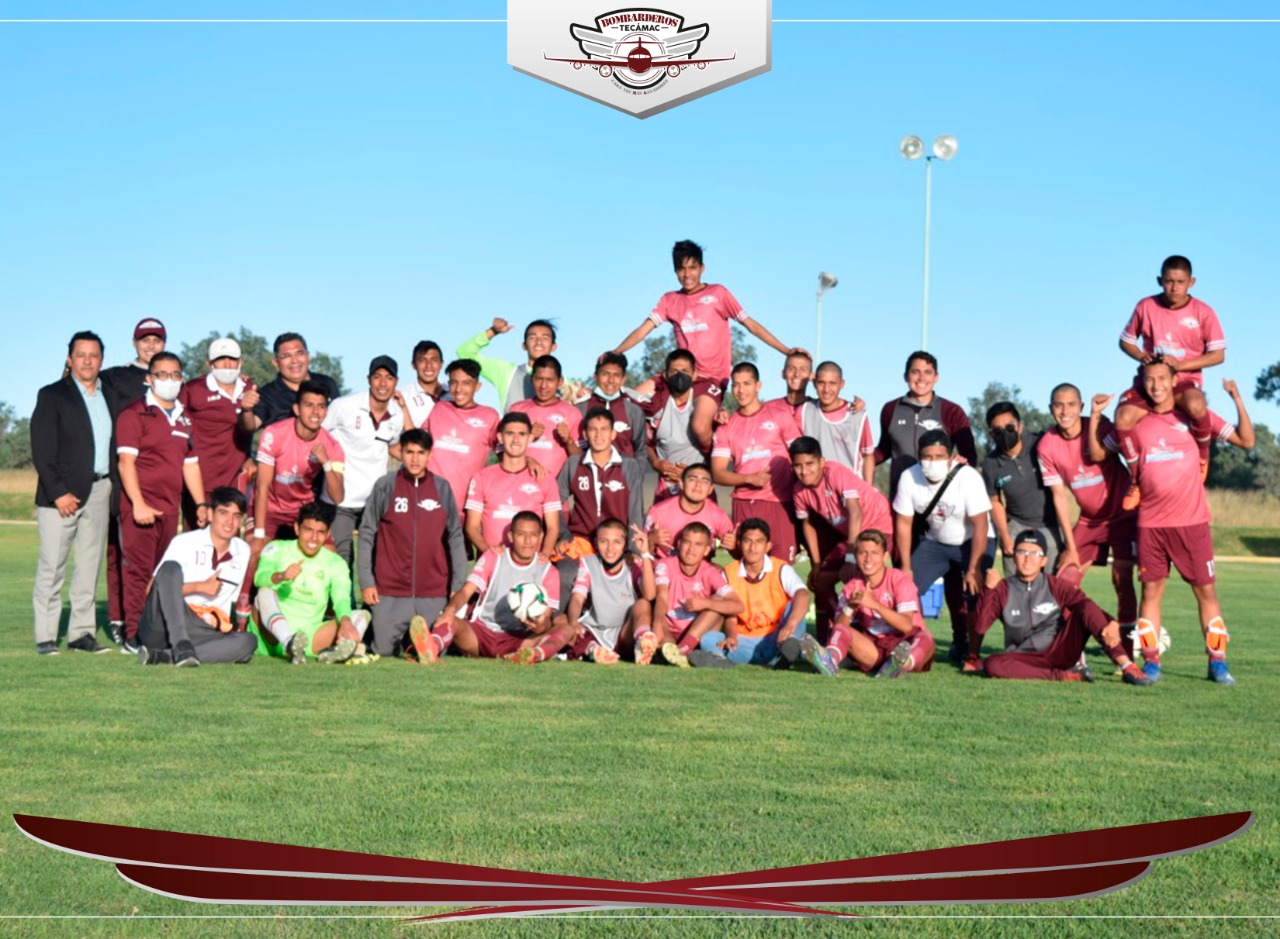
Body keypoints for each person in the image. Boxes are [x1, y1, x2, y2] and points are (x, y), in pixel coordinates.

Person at [1095, 360, 1254, 684]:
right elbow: (1100, 454)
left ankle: (1217, 663)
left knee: (1206, 594)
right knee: (1150, 592)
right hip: (1150, 525)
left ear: (1174, 381)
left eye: (1162, 379)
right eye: (1150, 380)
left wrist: (1237, 399)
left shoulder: (1195, 418)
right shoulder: (1136, 422)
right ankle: (1152, 663)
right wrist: (1096, 417)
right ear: (1142, 383)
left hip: (1192, 523)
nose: (1156, 386)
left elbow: (1246, 441)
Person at [608, 239, 803, 389]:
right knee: (633, 401)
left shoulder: (718, 293)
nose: (687, 274)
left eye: (692, 268)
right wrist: (617, 351)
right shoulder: (669, 300)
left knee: (700, 427)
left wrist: (786, 350)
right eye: (681, 269)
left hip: (712, 381)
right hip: (681, 374)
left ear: (702, 268)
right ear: (675, 271)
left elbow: (751, 325)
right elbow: (643, 330)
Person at [966, 529, 1152, 685]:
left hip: (1060, 650)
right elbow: (979, 626)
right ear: (1013, 557)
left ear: (1044, 561)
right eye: (1022, 552)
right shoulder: (1003, 589)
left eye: (1035, 554)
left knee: (1084, 606)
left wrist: (1112, 622)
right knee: (992, 664)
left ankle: (1128, 667)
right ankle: (1065, 676)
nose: (1028, 559)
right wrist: (989, 590)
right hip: (1023, 657)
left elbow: (1087, 608)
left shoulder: (1055, 585)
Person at [1114, 256, 1226, 508]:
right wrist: (1142, 356)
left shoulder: (1204, 312)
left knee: (1197, 407)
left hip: (1184, 380)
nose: (1174, 288)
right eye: (1169, 281)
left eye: (1180, 282)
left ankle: (1203, 458)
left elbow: (1219, 355)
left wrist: (1180, 365)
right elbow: (1125, 341)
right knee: (1122, 419)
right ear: (1159, 281)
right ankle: (1136, 479)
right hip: (1151, 381)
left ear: (1191, 282)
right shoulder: (1146, 306)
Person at [31, 331, 118, 655]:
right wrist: (58, 492)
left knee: (88, 566)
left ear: (101, 360)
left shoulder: (109, 393)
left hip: (100, 489)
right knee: (52, 567)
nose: (87, 360)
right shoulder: (52, 395)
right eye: (80, 354)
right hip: (61, 497)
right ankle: (46, 637)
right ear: (70, 358)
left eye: (93, 355)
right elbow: (42, 449)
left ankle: (81, 634)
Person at [115, 352, 206, 654]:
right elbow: (126, 463)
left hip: (169, 510)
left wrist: (201, 503)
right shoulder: (134, 414)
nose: (169, 380)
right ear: (149, 378)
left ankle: (154, 631)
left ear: (182, 378)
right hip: (140, 508)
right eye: (162, 374)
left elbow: (189, 465)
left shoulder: (184, 417)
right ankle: (132, 636)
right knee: (138, 571)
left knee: (160, 572)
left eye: (175, 375)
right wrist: (138, 504)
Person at [1037, 382, 1138, 650]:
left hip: (1123, 516)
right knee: (1064, 581)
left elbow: (1126, 453)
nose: (1065, 410)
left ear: (1080, 406)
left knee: (1122, 578)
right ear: (1050, 409)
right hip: (1089, 521)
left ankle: (1127, 647)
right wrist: (1070, 547)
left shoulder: (1100, 425)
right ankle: (1075, 643)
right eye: (1058, 405)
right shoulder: (1047, 444)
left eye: (1071, 404)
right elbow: (1059, 496)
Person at [358, 429, 468, 657]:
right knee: (385, 652)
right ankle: (369, 627)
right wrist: (367, 581)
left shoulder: (441, 488)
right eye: (409, 452)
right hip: (390, 591)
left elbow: (455, 537)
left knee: (432, 649)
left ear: (429, 455)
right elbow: (367, 532)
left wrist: (457, 585)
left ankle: (413, 641)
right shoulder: (385, 485)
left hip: (433, 592)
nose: (415, 458)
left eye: (421, 452)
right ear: (401, 453)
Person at [414, 511, 573, 665]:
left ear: (541, 537)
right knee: (452, 620)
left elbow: (545, 621)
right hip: (481, 634)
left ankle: (532, 656)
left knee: (566, 629)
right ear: (511, 536)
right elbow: (466, 591)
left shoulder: (548, 571)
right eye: (521, 534)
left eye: (533, 535)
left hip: (519, 641)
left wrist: (539, 627)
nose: (527, 541)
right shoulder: (494, 557)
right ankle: (431, 647)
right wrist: (450, 610)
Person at [892, 429, 993, 662]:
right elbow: (904, 523)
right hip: (936, 543)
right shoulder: (909, 477)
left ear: (950, 458)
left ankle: (970, 650)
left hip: (972, 541)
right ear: (919, 457)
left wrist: (974, 568)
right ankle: (916, 643)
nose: (932, 462)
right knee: (906, 588)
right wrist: (906, 565)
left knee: (975, 593)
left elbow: (981, 525)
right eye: (927, 456)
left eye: (939, 457)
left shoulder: (968, 477)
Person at [136, 487, 257, 666]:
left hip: (202, 628)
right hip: (163, 623)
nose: (230, 522)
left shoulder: (243, 551)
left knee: (248, 642)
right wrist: (198, 587)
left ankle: (164, 656)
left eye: (236, 516)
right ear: (209, 514)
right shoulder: (184, 542)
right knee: (170, 568)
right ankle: (181, 644)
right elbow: (153, 588)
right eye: (223, 513)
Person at [101, 317, 167, 644]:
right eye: (145, 340)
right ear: (135, 343)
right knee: (118, 551)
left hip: (159, 481)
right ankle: (118, 617)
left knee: (152, 554)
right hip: (122, 474)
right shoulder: (115, 377)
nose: (151, 345)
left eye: (156, 340)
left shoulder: (170, 377)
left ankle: (150, 616)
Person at [789, 436, 892, 637]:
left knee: (865, 579)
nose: (804, 471)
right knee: (819, 581)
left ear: (821, 461)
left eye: (809, 464)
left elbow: (856, 512)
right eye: (798, 466)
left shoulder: (835, 473)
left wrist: (851, 558)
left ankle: (876, 635)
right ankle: (834, 631)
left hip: (879, 527)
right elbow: (807, 524)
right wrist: (817, 563)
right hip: (853, 536)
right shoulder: (799, 491)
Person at [251, 502, 370, 664]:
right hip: (270, 637)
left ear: (328, 534)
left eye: (320, 532)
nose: (314, 538)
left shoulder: (336, 563)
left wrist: (346, 622)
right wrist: (281, 576)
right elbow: (259, 578)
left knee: (360, 616)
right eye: (308, 530)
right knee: (264, 592)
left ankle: (335, 650)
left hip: (309, 638)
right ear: (297, 528)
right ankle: (288, 643)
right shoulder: (276, 548)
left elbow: (341, 598)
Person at [321, 355, 405, 578]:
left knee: (375, 558)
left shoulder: (397, 414)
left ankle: (371, 611)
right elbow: (318, 435)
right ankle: (344, 611)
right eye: (377, 377)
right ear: (368, 379)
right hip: (341, 500)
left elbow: (392, 446)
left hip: (373, 501)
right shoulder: (343, 406)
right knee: (341, 559)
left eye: (388, 378)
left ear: (396, 381)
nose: (382, 383)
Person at [711, 362, 802, 562]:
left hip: (781, 503)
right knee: (749, 568)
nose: (741, 390)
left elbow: (800, 457)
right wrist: (748, 478)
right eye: (736, 385)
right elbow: (717, 473)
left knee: (782, 569)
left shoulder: (780, 417)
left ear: (758, 385)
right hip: (745, 503)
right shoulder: (726, 427)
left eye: (747, 383)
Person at [695, 519, 811, 668]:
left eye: (759, 542)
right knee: (708, 638)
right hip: (742, 641)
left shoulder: (781, 568)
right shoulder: (729, 573)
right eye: (747, 541)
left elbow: (803, 594)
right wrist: (731, 636)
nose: (753, 547)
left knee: (794, 606)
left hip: (777, 637)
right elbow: (729, 612)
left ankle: (786, 653)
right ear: (739, 544)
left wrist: (791, 624)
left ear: (768, 546)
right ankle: (719, 660)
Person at [821, 529, 935, 679]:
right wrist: (850, 607)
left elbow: (907, 626)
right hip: (873, 647)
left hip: (905, 642)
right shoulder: (852, 587)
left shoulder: (900, 580)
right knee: (842, 629)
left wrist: (875, 605)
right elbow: (839, 628)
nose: (868, 559)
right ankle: (829, 661)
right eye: (862, 553)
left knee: (925, 636)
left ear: (885, 556)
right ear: (856, 556)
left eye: (874, 553)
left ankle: (900, 665)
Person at [875, 351, 976, 500]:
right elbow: (884, 450)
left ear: (936, 377)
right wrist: (858, 458)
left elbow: (969, 457)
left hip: (940, 502)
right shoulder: (890, 409)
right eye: (915, 372)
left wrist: (958, 463)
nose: (921, 378)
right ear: (905, 376)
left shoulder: (952, 411)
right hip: (901, 500)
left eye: (928, 372)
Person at [557, 407, 646, 574]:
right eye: (593, 429)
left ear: (613, 434)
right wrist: (563, 534)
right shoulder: (574, 463)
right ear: (585, 434)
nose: (598, 435)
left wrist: (633, 550)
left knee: (635, 579)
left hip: (617, 544)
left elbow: (635, 512)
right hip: (581, 541)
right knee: (565, 574)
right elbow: (554, 503)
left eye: (604, 429)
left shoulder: (628, 466)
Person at [178, 336, 255, 530]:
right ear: (209, 363)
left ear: (241, 362)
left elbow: (250, 425)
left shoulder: (249, 387)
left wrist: (248, 456)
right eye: (220, 359)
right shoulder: (193, 389)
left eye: (232, 359)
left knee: (229, 536)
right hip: (199, 480)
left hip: (233, 479)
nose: (227, 365)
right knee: (196, 540)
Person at [463, 412, 562, 557]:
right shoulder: (481, 477)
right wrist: (488, 552)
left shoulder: (544, 478)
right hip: (492, 563)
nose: (516, 440)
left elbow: (553, 527)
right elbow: (472, 527)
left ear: (529, 438)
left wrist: (545, 554)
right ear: (500, 437)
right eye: (510, 434)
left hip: (529, 564)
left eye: (522, 434)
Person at [560, 519, 658, 664]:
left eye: (617, 542)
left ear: (625, 544)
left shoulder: (634, 563)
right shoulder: (588, 562)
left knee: (643, 604)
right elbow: (577, 597)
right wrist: (573, 622)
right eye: (604, 541)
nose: (610, 548)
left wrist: (645, 554)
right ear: (595, 542)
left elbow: (650, 595)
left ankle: (643, 643)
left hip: (624, 634)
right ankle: (594, 651)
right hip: (595, 630)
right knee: (563, 622)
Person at [982, 402, 1062, 576]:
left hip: (1052, 526)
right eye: (997, 430)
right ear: (990, 434)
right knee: (1014, 585)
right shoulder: (990, 463)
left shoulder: (1040, 444)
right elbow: (994, 500)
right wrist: (1005, 536)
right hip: (1017, 525)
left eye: (1009, 427)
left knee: (1052, 586)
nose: (1004, 433)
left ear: (1020, 426)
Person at [651, 522, 744, 668]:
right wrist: (656, 624)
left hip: (696, 634)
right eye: (687, 542)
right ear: (679, 544)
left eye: (698, 545)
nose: (691, 549)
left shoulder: (710, 572)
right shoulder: (665, 564)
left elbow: (738, 605)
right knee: (654, 610)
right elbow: (662, 596)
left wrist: (705, 603)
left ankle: (683, 651)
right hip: (668, 629)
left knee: (717, 602)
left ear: (707, 550)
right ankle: (676, 652)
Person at [641, 349, 720, 504]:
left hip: (699, 489)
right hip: (666, 488)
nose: (679, 375)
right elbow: (645, 443)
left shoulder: (703, 404)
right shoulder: (657, 407)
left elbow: (718, 447)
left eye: (685, 371)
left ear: (694, 375)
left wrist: (692, 474)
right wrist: (656, 463)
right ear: (665, 375)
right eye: (674, 371)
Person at [425, 359, 501, 520]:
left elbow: (505, 454)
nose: (459, 389)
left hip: (465, 509)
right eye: (454, 383)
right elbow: (417, 443)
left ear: (477, 386)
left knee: (460, 545)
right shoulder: (439, 408)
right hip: (429, 502)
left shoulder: (489, 416)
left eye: (466, 383)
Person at [244, 332, 341, 432]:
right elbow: (250, 426)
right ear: (276, 363)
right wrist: (247, 410)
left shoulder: (328, 384)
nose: (294, 360)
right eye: (286, 356)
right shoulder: (266, 395)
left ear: (308, 357)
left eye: (299, 353)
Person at [455, 317, 558, 410]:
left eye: (545, 338)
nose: (538, 342)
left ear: (554, 346)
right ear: (524, 345)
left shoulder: (565, 383)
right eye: (532, 337)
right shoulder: (507, 372)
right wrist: (493, 331)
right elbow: (464, 353)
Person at [799, 361, 876, 483]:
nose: (826, 389)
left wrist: (868, 490)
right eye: (821, 383)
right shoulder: (805, 410)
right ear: (814, 383)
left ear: (841, 384)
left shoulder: (857, 415)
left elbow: (868, 455)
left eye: (832, 383)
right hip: (817, 491)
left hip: (850, 492)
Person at [510, 354, 582, 480]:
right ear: (532, 379)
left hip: (556, 494)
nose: (543, 386)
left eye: (550, 380)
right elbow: (502, 452)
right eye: (539, 379)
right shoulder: (517, 410)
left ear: (559, 381)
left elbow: (581, 460)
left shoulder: (572, 413)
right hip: (518, 491)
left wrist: (568, 440)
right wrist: (527, 437)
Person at [644, 462, 735, 559]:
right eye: (692, 479)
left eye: (705, 481)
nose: (698, 485)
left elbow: (737, 554)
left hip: (702, 570)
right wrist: (651, 541)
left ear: (710, 489)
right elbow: (641, 554)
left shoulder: (718, 515)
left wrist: (735, 546)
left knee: (718, 570)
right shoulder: (658, 512)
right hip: (664, 569)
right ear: (681, 483)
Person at [576, 352, 647, 458]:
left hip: (625, 474)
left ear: (623, 379)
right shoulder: (580, 410)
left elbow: (640, 451)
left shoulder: (634, 411)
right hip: (589, 473)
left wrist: (634, 473)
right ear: (595, 376)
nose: (610, 380)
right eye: (605, 374)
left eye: (616, 375)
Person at [401, 340, 448, 430]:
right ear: (413, 365)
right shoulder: (404, 398)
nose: (428, 365)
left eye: (434, 360)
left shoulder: (454, 393)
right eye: (422, 360)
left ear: (441, 364)